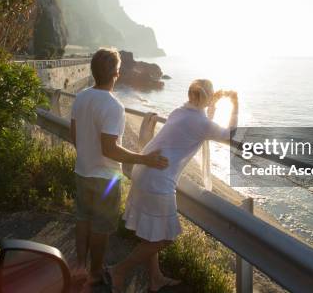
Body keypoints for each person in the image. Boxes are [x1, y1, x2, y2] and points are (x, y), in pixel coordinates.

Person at [108, 79, 238, 292]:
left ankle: (155, 278)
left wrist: (210, 107)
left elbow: (200, 125)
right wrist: (235, 102)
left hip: (144, 170)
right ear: (206, 97)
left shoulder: (180, 111)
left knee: (153, 234)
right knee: (165, 238)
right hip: (157, 180)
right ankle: (119, 270)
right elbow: (230, 134)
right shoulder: (200, 122)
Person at [70, 48, 169, 289]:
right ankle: (94, 273)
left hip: (82, 171)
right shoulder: (114, 106)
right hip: (105, 178)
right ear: (116, 72)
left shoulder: (81, 97)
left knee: (83, 220)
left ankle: (81, 266)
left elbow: (74, 136)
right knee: (101, 228)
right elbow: (110, 149)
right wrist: (144, 159)